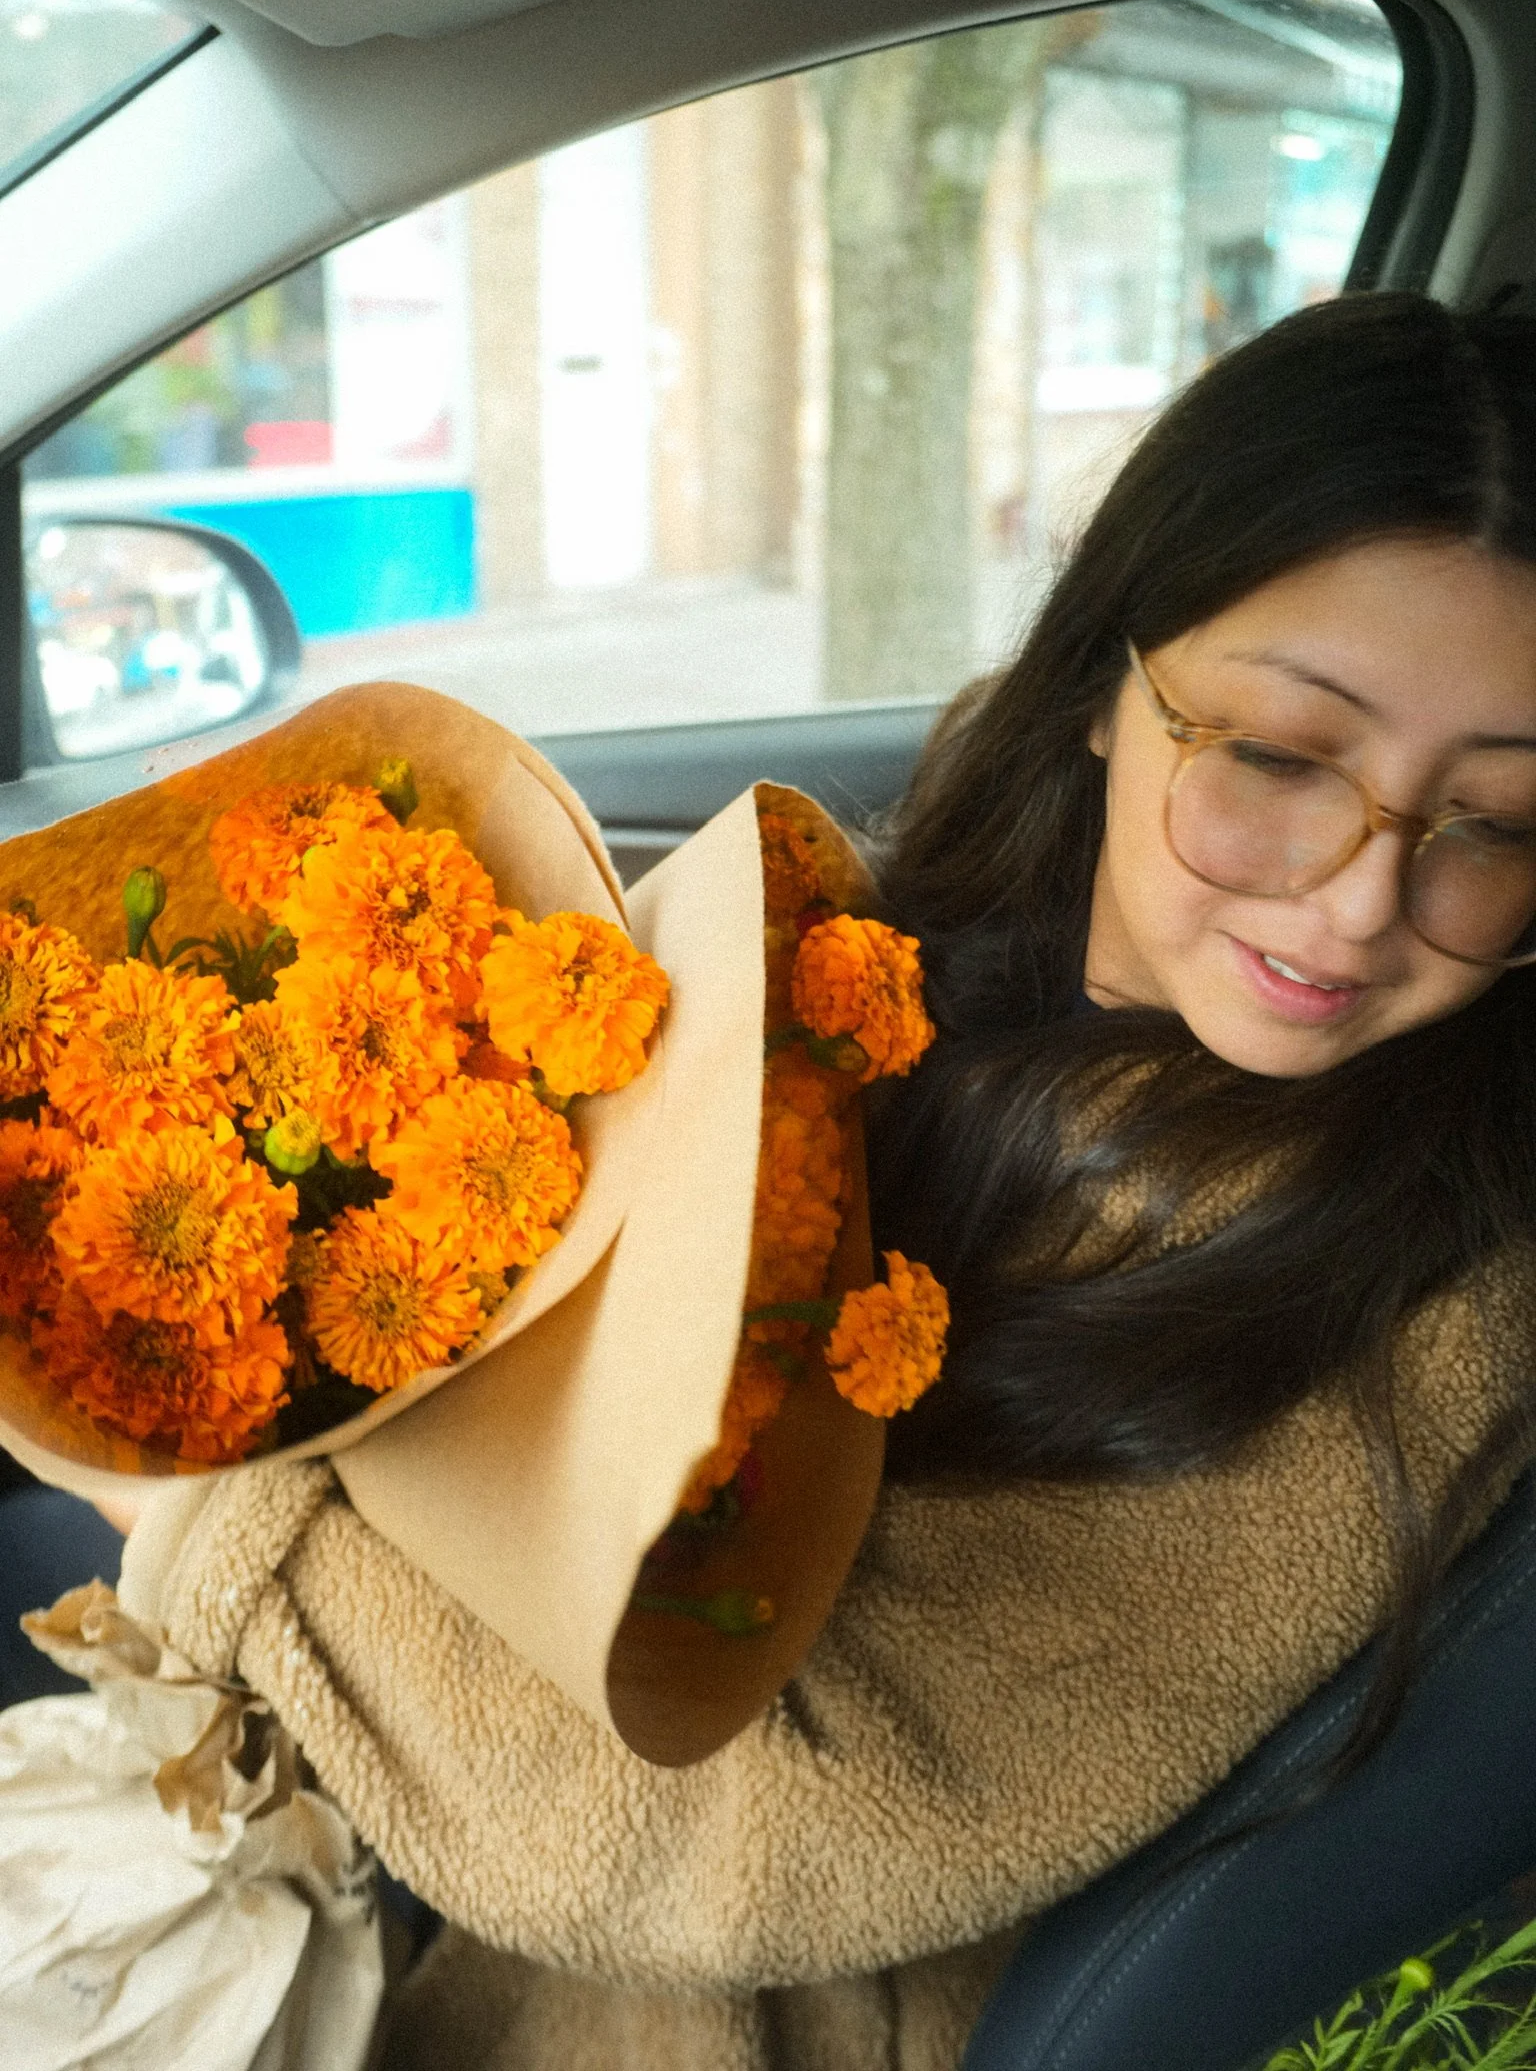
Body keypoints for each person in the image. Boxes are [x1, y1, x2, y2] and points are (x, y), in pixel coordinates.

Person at [91, 291, 1536, 2070]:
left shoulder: (1423, 1304)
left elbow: (761, 1850)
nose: (1357, 898)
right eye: (1277, 759)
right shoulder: (891, 965)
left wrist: (199, 1521)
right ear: (1105, 683)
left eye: (1496, 822)